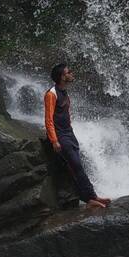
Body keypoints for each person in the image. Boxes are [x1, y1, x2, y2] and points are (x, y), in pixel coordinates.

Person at [44, 63, 110, 209]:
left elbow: (65, 114)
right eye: (69, 72)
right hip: (60, 136)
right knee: (77, 166)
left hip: (69, 134)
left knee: (77, 166)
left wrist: (71, 131)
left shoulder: (64, 92)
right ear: (62, 76)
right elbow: (48, 120)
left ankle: (92, 196)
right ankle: (90, 199)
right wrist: (54, 140)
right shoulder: (51, 94)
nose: (72, 74)